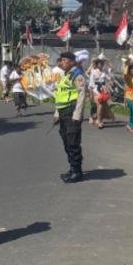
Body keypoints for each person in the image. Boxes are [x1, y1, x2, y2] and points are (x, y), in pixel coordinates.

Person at [53, 51, 88, 183]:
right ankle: (72, 168)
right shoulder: (65, 76)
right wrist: (57, 113)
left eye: (65, 60)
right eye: (61, 60)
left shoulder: (77, 75)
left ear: (72, 61)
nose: (62, 62)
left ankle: (77, 172)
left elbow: (81, 95)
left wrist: (78, 114)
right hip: (63, 112)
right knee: (66, 141)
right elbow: (60, 95)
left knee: (73, 142)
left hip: (72, 112)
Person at [88, 58, 111, 129]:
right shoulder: (94, 72)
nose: (100, 65)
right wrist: (91, 94)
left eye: (102, 64)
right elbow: (91, 84)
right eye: (99, 64)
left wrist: (109, 85)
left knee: (102, 107)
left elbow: (109, 79)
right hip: (96, 91)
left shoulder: (104, 72)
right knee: (99, 105)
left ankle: (98, 119)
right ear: (97, 65)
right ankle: (99, 121)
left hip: (103, 91)